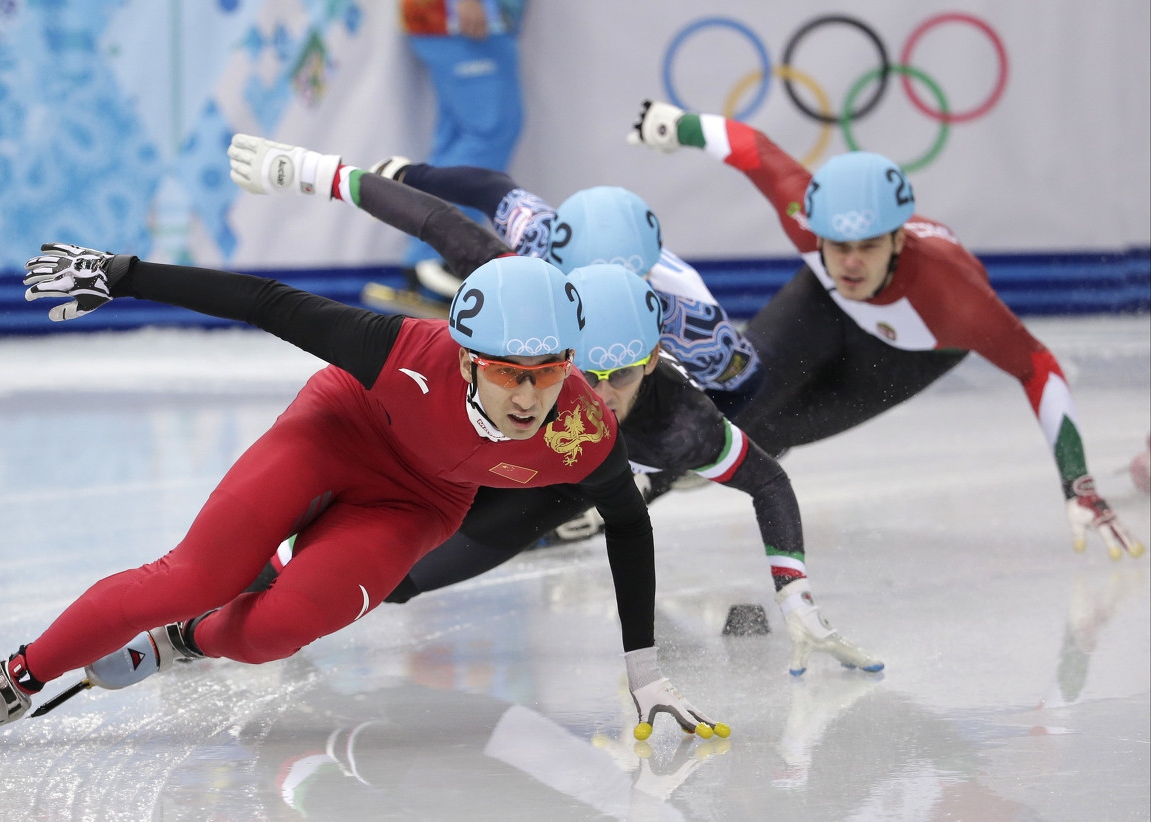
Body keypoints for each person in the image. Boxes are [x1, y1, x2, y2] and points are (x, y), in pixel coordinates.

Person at [0, 165, 726, 754]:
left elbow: (627, 525)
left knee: (275, 632)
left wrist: (643, 670)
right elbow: (266, 300)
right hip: (337, 432)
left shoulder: (580, 432)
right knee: (195, 572)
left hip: (415, 506)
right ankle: (16, 676)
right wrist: (123, 273)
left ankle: (182, 642)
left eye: (546, 372)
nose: (527, 395)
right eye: (508, 372)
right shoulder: (400, 348)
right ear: (469, 358)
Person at [227, 133, 881, 677]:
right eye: (578, 367)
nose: (590, 397)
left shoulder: (699, 338)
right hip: (513, 414)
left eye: (617, 373)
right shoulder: (532, 258)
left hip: (593, 457)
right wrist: (320, 172)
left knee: (404, 573)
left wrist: (672, 476)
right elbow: (451, 210)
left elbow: (750, 425)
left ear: (651, 352)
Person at [626, 99, 1146, 561]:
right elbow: (751, 148)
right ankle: (623, 481)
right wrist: (677, 125)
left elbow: (1038, 367)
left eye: (869, 246)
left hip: (911, 351)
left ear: (898, 240)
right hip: (825, 306)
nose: (851, 263)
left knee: (767, 431)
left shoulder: (952, 297)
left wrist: (1078, 486)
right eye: (838, 245)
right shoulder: (806, 217)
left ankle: (662, 475)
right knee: (733, 392)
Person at [367, 159, 764, 417]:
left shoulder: (696, 327)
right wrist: (406, 175)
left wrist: (678, 461)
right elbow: (491, 188)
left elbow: (745, 386)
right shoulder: (542, 237)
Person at [397, 0, 525, 296]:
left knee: (459, 138)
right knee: (489, 129)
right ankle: (433, 256)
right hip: (462, 15)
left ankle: (427, 257)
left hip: (468, 16)